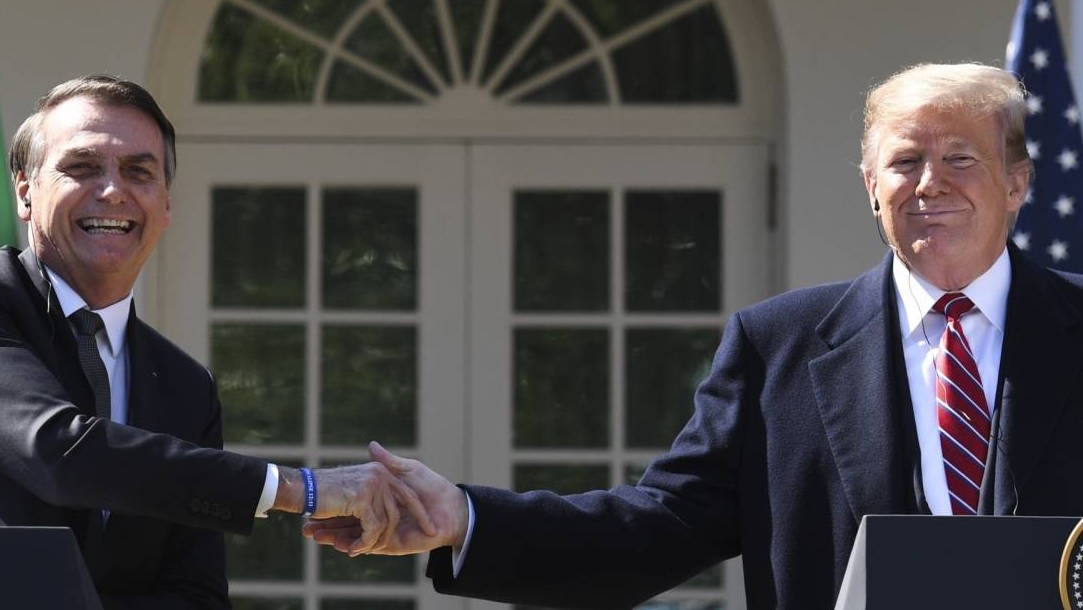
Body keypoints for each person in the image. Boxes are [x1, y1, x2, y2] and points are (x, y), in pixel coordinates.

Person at [305, 63, 1083, 609]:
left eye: (960, 159)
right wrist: (464, 519)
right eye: (905, 161)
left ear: (1017, 182)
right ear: (870, 186)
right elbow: (657, 528)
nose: (929, 183)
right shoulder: (778, 347)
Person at [0, 75, 431, 609]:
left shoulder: (185, 386)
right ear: (25, 191)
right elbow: (56, 450)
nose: (112, 191)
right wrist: (300, 489)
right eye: (82, 167)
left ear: (166, 205)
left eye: (139, 172)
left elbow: (196, 595)